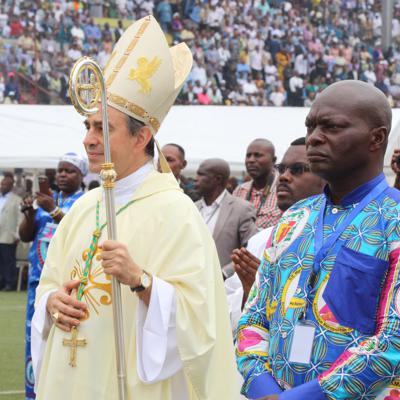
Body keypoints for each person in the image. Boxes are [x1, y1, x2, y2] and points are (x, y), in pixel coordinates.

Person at [31, 15, 239, 400]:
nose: (89, 140)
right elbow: (50, 284)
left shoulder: (176, 213)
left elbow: (201, 319)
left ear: (141, 136)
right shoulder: (83, 208)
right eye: (87, 126)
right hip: (68, 376)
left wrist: (141, 281)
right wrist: (50, 303)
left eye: (103, 128)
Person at [236, 80, 400, 399]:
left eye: (332, 127)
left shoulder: (393, 220)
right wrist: (261, 386)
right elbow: (253, 316)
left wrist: (303, 397)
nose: (313, 137)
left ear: (376, 138)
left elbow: (394, 342)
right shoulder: (295, 219)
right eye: (311, 126)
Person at [226, 137, 325, 331]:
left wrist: (272, 291)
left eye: (297, 169)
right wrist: (252, 294)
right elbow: (226, 306)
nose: (283, 177)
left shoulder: (347, 237)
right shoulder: (262, 240)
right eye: (282, 169)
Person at [19, 153, 87, 399]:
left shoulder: (86, 203)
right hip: (38, 285)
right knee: (34, 338)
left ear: (81, 175)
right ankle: (34, 393)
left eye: (69, 171)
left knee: (60, 340)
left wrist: (53, 210)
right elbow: (25, 236)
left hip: (67, 286)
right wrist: (29, 213)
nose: (62, 175)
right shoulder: (47, 199)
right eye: (60, 170)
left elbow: (83, 232)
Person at [195, 158, 258, 278]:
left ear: (217, 179)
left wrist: (224, 273)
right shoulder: (192, 208)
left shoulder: (241, 209)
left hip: (224, 285)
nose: (196, 178)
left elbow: (251, 249)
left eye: (201, 174)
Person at [233, 139, 282, 229]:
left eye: (257, 155)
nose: (251, 160)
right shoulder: (240, 190)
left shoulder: (283, 189)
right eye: (248, 156)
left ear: (273, 160)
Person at [0, 173, 22, 291]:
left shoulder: (17, 200)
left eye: (5, 184)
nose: (2, 186)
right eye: (1, 184)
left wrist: (18, 234)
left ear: (11, 186)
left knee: (8, 260)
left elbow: (20, 218)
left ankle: (9, 283)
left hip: (8, 235)